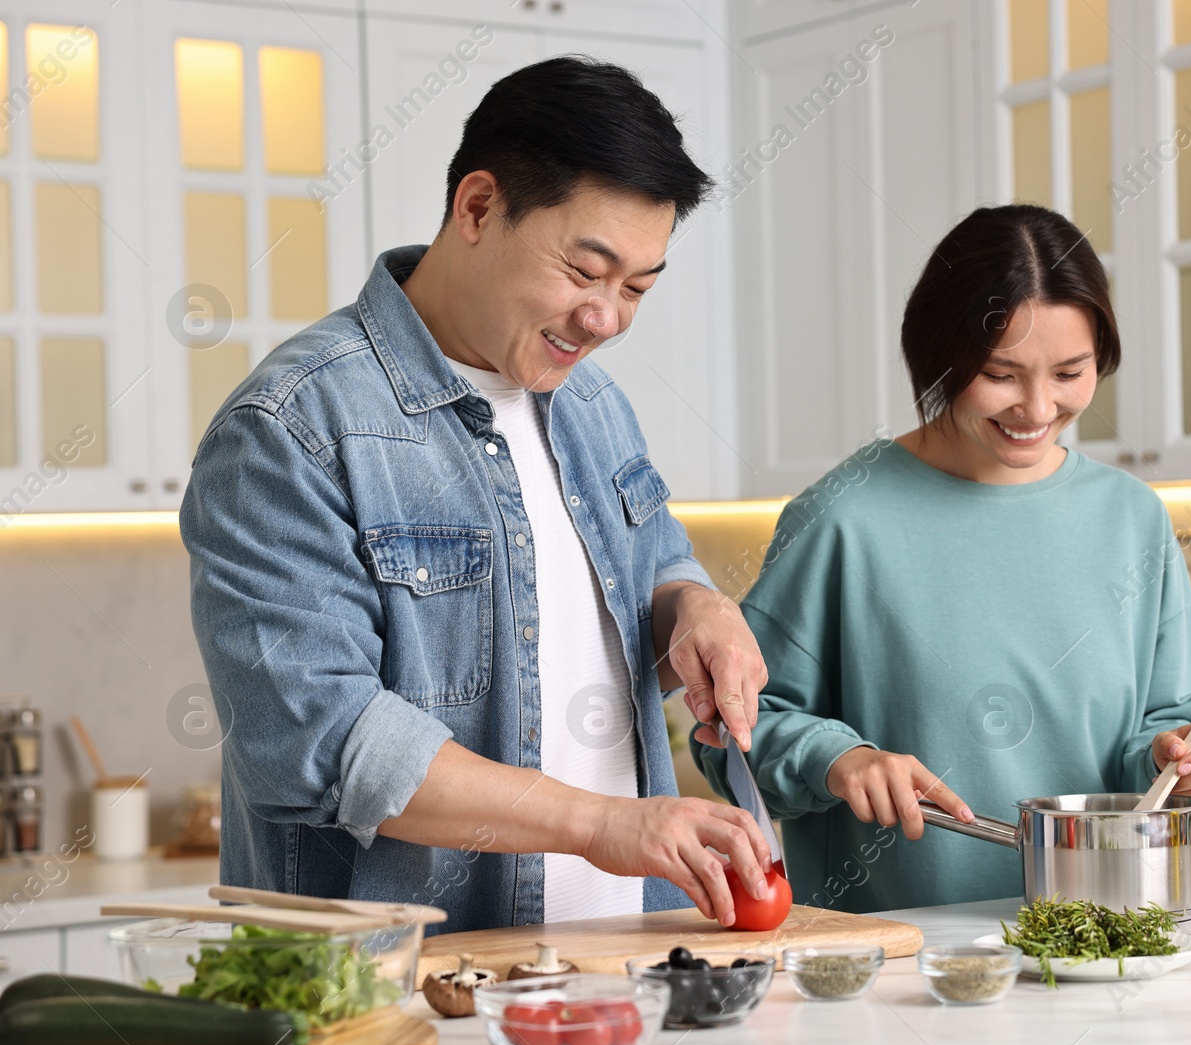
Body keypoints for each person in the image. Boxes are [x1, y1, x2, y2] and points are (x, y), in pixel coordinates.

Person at [181, 57, 774, 935]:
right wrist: (601, 823)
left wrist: (693, 605)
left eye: (637, 287)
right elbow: (322, 740)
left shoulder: (594, 406)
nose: (606, 318)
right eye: (585, 270)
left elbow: (651, 564)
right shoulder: (291, 428)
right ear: (479, 207)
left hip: (627, 967)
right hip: (400, 992)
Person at [693, 204, 1191, 913]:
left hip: (1104, 939)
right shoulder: (845, 517)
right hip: (900, 963)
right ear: (940, 352)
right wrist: (838, 760)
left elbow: (1168, 727)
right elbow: (728, 728)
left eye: (1071, 372)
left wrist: (1187, 763)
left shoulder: (1131, 517)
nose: (1038, 407)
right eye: (1000, 374)